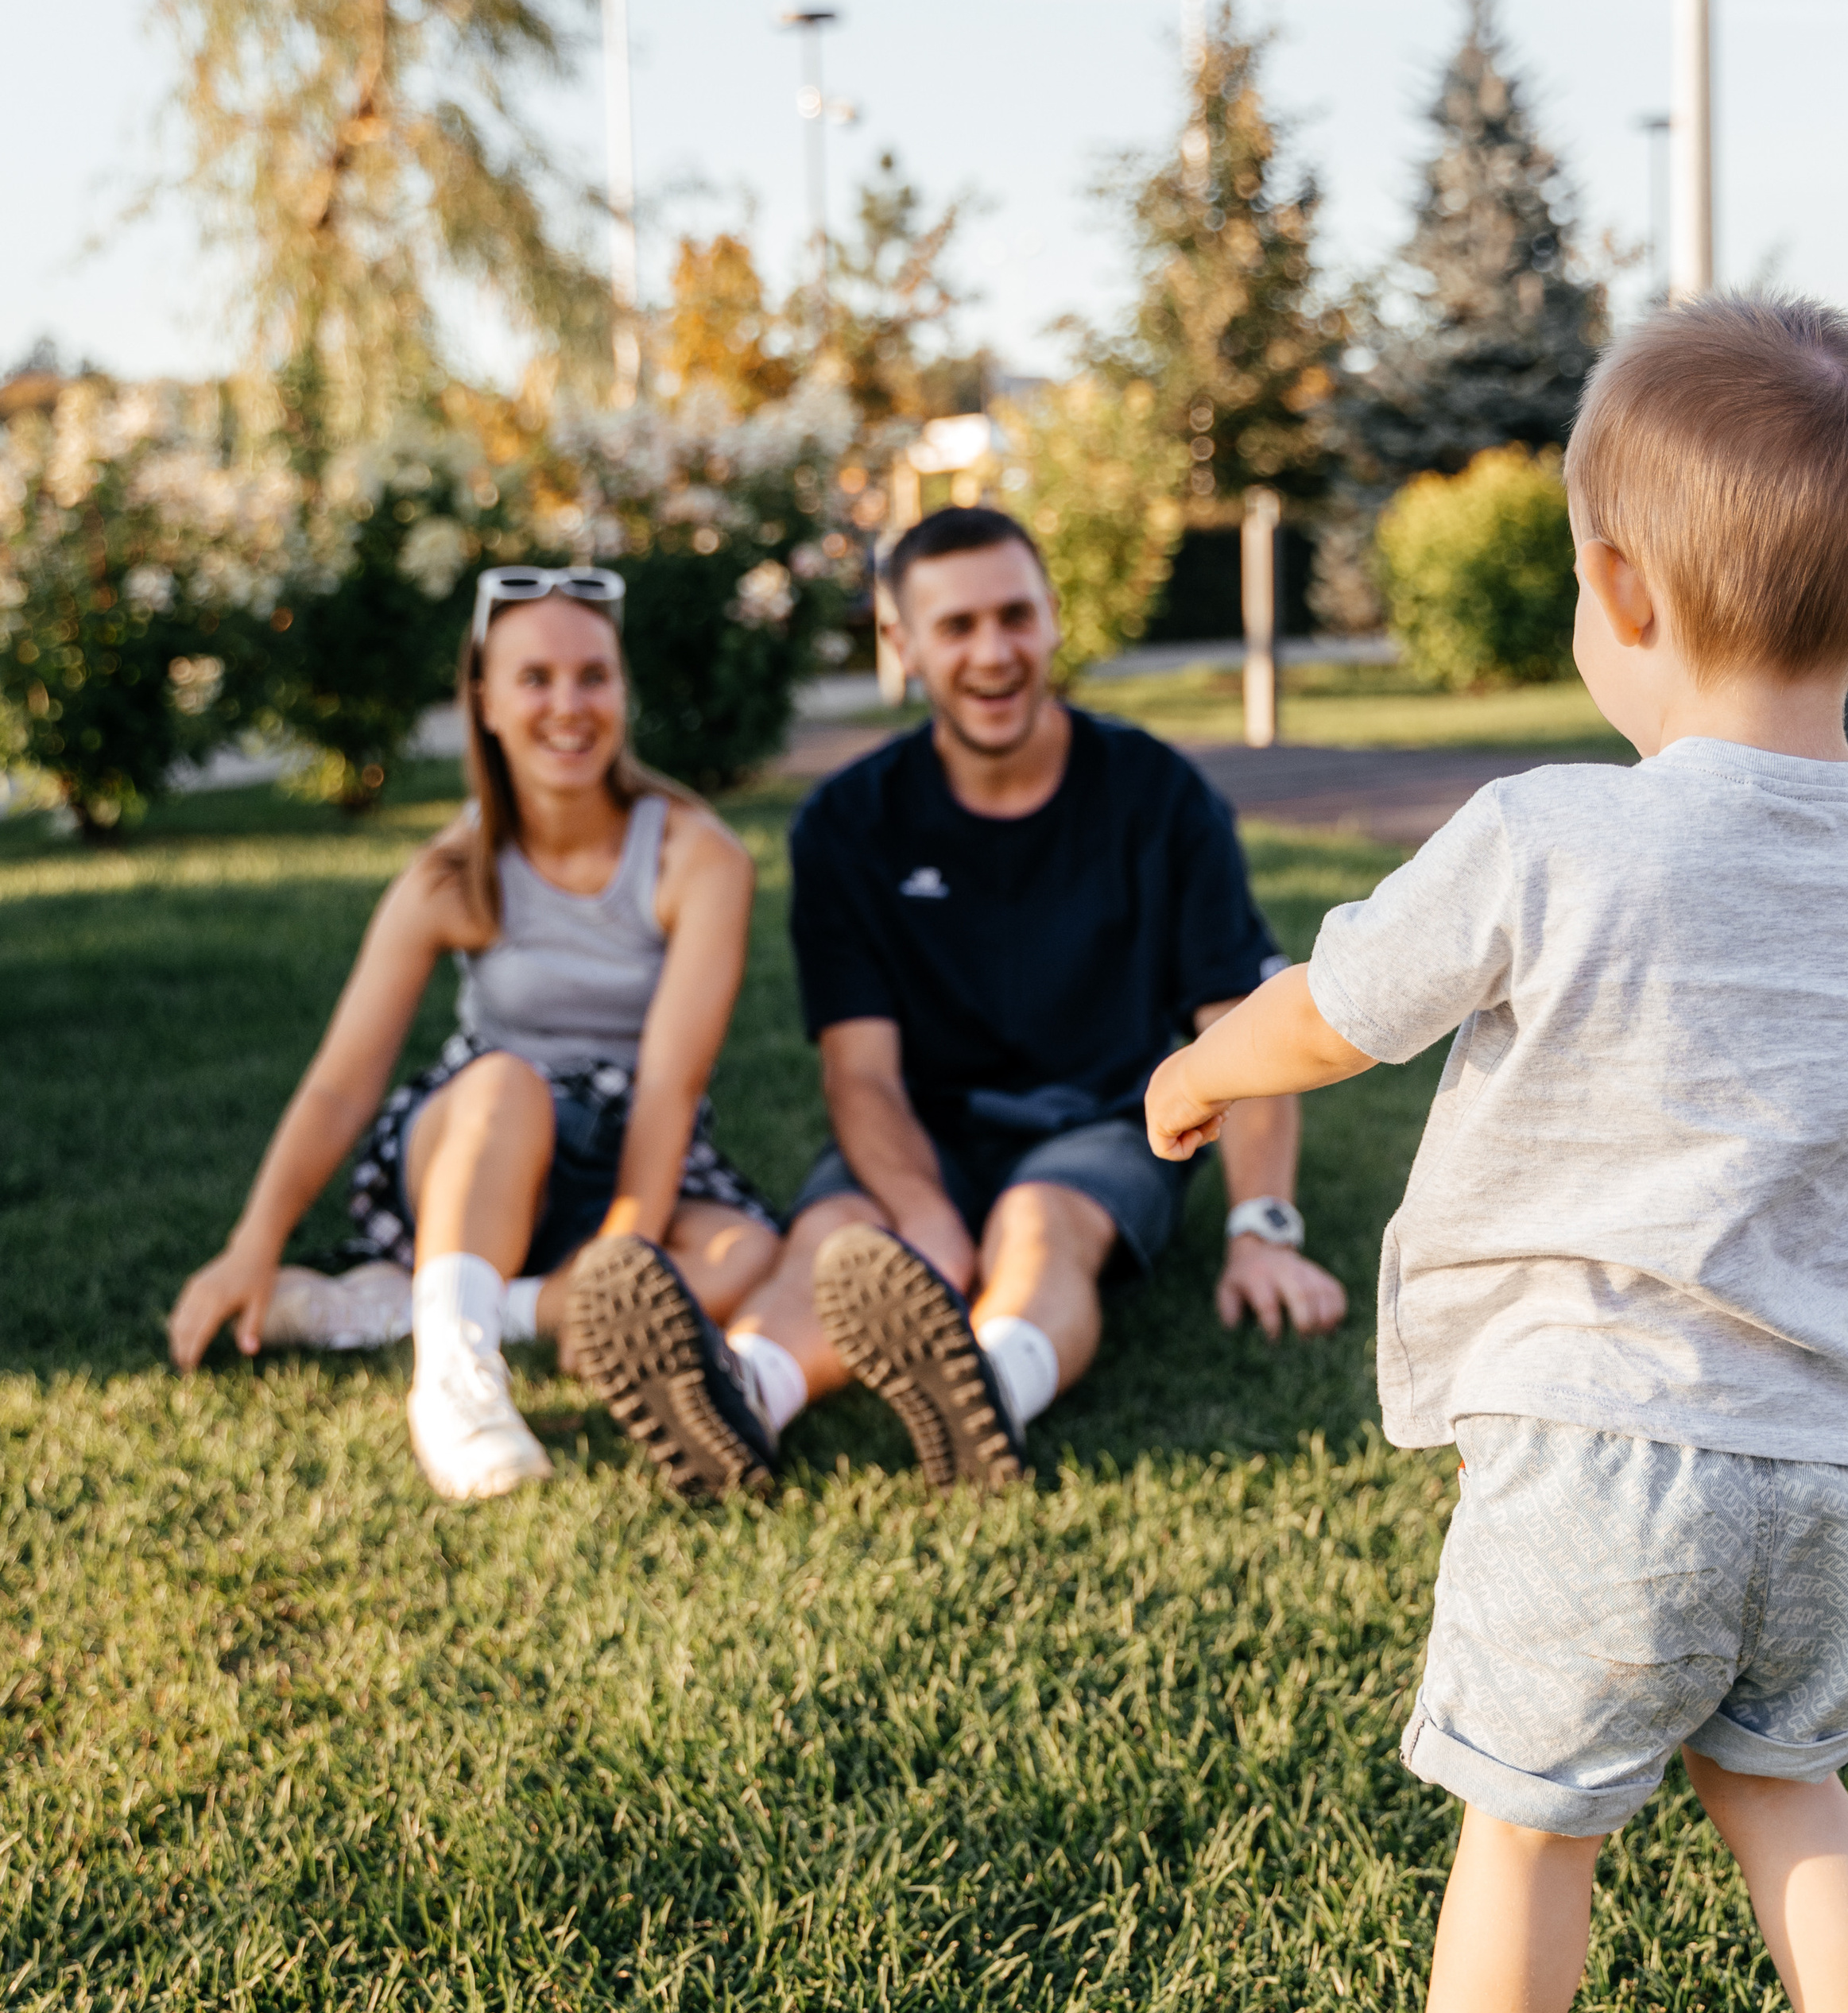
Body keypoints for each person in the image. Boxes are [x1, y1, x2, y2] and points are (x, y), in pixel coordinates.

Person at [1146, 295, 1848, 2013]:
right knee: (1785, 1781)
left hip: (1592, 1451)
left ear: (1611, 589)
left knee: (1531, 1820)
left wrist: (1199, 1068)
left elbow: (1335, 1011)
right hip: (1820, 1458)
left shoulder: (1545, 836)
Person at [568, 505, 1346, 1490]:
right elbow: (859, 1071)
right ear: (901, 645)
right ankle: (743, 1396)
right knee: (836, 1239)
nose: (994, 652)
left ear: (1054, 618)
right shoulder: (847, 824)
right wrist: (926, 1216)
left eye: (1015, 616)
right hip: (917, 1124)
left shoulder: (1158, 795)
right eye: (957, 626)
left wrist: (1260, 1229)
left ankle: (988, 1389)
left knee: (1039, 1222)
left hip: (1103, 1119)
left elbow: (1237, 1027)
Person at [168, 566, 783, 1504]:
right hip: (478, 1138)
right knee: (507, 1085)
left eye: (593, 677)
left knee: (747, 1257)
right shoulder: (452, 870)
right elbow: (343, 1082)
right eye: (534, 679)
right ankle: (455, 1381)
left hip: (630, 1145)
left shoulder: (701, 858)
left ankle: (400, 1304)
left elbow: (668, 1087)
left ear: (623, 692)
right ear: (485, 702)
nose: (568, 706)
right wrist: (254, 1240)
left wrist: (616, 1260)